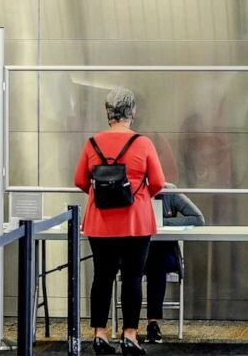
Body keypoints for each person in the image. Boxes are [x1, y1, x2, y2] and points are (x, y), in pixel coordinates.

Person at [74, 87, 165, 356]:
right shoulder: (143, 143)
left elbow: (80, 180)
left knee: (102, 277)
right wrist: (138, 195)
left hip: (100, 222)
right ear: (132, 113)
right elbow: (158, 182)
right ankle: (129, 336)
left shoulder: (92, 143)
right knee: (133, 277)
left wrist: (103, 195)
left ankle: (100, 335)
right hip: (135, 221)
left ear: (108, 113)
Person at [144, 184, 204, 343]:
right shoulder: (131, 190)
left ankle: (152, 323)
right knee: (140, 263)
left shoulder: (168, 191)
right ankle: (135, 327)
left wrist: (161, 223)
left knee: (156, 262)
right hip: (137, 252)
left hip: (164, 254)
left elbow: (198, 219)